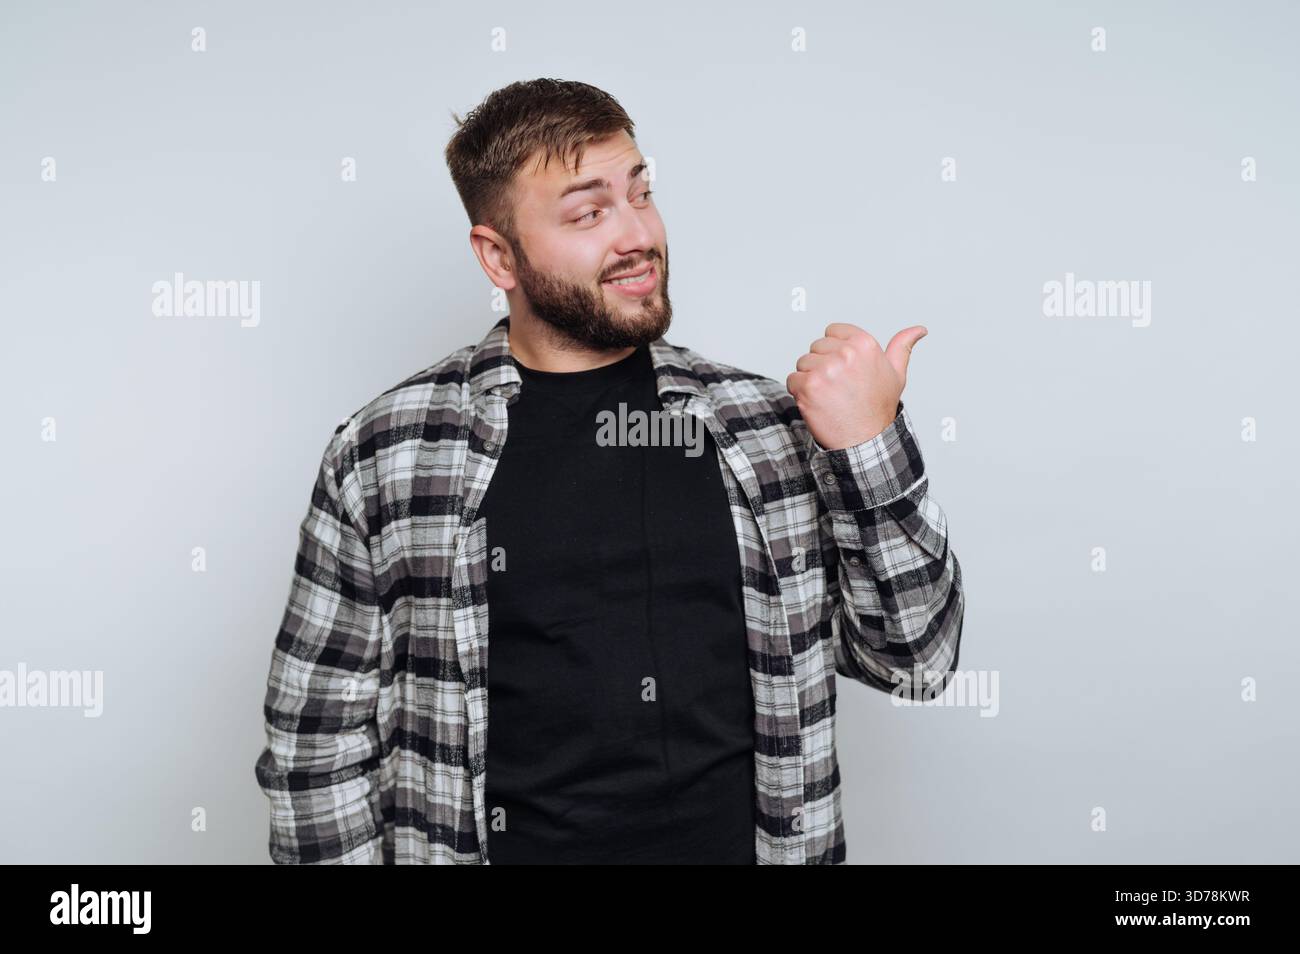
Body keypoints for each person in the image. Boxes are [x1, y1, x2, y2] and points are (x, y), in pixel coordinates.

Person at [254, 77, 965, 864]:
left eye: (642, 194)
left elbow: (917, 663)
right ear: (498, 256)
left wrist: (868, 446)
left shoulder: (767, 427)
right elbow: (316, 747)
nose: (637, 235)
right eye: (589, 212)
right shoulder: (388, 452)